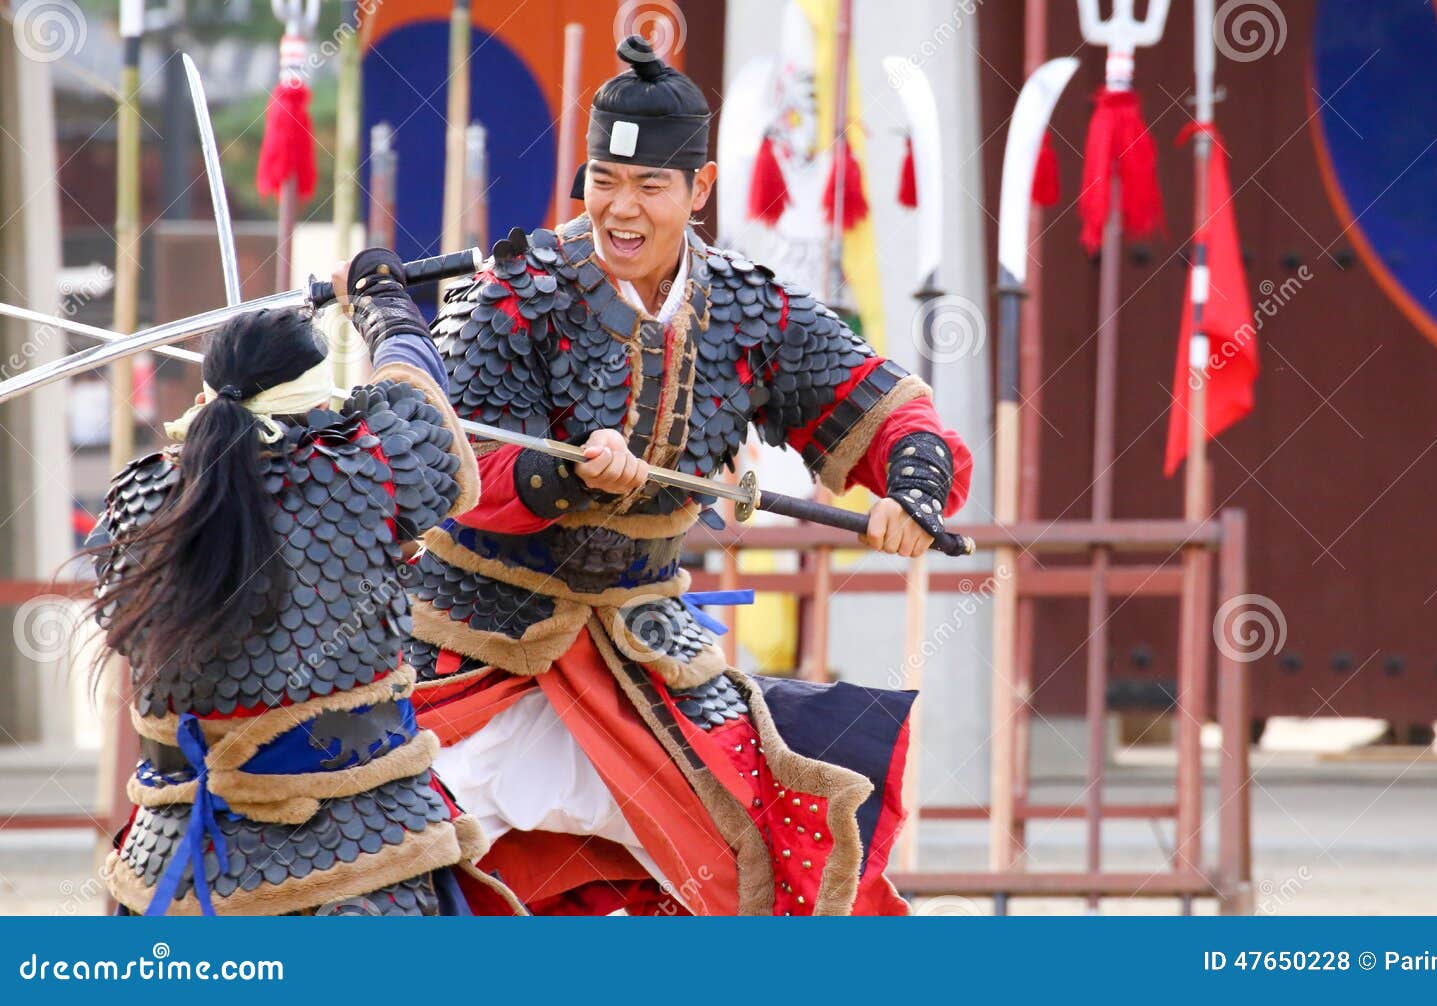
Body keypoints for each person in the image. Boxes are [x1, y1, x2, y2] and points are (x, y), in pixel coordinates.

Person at [411, 35, 973, 916]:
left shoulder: (748, 308)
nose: (620, 209)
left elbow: (882, 402)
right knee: (394, 837)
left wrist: (913, 487)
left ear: (699, 190)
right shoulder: (513, 295)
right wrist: (569, 483)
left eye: (649, 186)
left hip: (644, 636)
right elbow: (464, 465)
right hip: (478, 639)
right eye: (603, 180)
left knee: (769, 840)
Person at [87, 249, 491, 916]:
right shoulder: (363, 469)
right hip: (361, 853)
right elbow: (418, 395)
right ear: (312, 395)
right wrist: (381, 301)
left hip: (180, 866)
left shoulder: (138, 497)